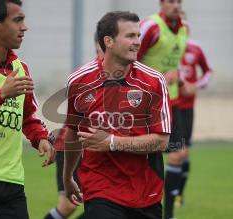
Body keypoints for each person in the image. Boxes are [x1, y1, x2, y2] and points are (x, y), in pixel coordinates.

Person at [63, 11, 171, 219]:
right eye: (130, 36)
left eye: (138, 36)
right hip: (100, 187)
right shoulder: (79, 81)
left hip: (145, 191)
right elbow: (73, 133)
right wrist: (67, 176)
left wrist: (112, 142)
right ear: (108, 41)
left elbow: (162, 142)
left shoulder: (154, 81)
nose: (138, 42)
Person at [0, 1, 55, 218]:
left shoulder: (21, 68)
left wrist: (41, 139)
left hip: (11, 183)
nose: (25, 27)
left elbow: (28, 116)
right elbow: (1, 98)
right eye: (17, 20)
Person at [44, 35, 104, 219]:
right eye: (97, 51)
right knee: (69, 205)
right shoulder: (88, 77)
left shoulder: (123, 74)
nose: (100, 56)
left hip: (95, 150)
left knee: (107, 202)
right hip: (71, 147)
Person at [137, 1, 188, 218]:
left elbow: (174, 63)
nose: (175, 5)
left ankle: (168, 214)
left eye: (179, 1)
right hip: (148, 104)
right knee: (148, 159)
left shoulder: (184, 28)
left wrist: (180, 79)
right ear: (161, 3)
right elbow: (131, 61)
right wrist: (158, 79)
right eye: (171, 1)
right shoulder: (151, 27)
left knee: (178, 154)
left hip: (172, 103)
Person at [174, 11, 213, 207]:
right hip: (169, 106)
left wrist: (195, 85)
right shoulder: (164, 49)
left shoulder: (196, 49)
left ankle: (178, 194)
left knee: (183, 151)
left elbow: (208, 72)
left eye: (184, 23)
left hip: (186, 108)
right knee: (171, 150)